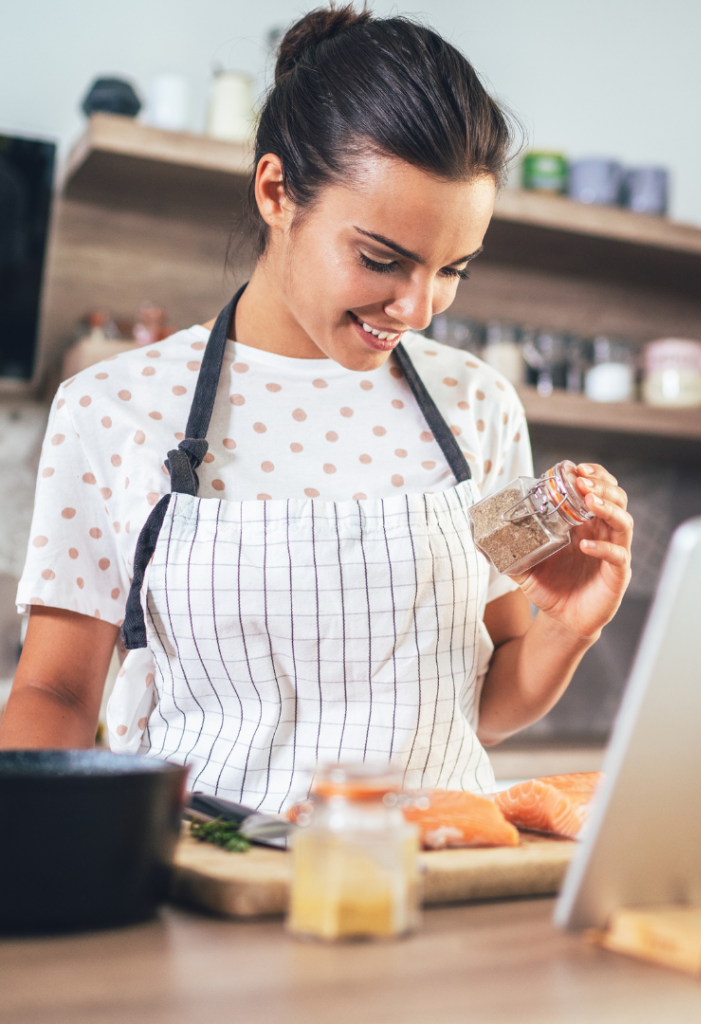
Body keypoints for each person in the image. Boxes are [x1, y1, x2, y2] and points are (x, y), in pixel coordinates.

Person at [0, 5, 633, 811]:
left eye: (452, 269)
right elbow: (55, 695)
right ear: (275, 192)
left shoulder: (479, 406)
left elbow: (487, 703)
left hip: (435, 883)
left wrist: (568, 629)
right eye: (382, 259)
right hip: (210, 884)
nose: (418, 307)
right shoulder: (112, 406)